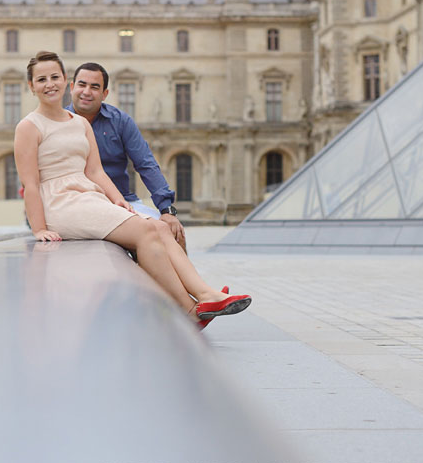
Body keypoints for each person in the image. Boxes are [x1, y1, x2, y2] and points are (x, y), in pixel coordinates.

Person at [13, 51, 251, 328]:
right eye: (41, 79)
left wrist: (118, 201)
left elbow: (95, 171)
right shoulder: (29, 127)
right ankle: (189, 308)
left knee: (161, 228)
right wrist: (39, 228)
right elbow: (30, 183)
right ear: (31, 86)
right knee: (147, 230)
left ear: (65, 80)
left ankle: (204, 294)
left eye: (55, 77)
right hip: (60, 203)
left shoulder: (79, 123)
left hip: (89, 196)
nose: (49, 83)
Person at [67, 62, 186, 249]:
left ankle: (184, 280)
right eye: (82, 85)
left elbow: (146, 163)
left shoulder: (120, 121)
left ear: (105, 94)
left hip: (123, 201)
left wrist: (167, 210)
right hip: (80, 204)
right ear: (72, 87)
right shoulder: (58, 123)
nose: (87, 92)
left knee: (175, 232)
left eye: (95, 87)